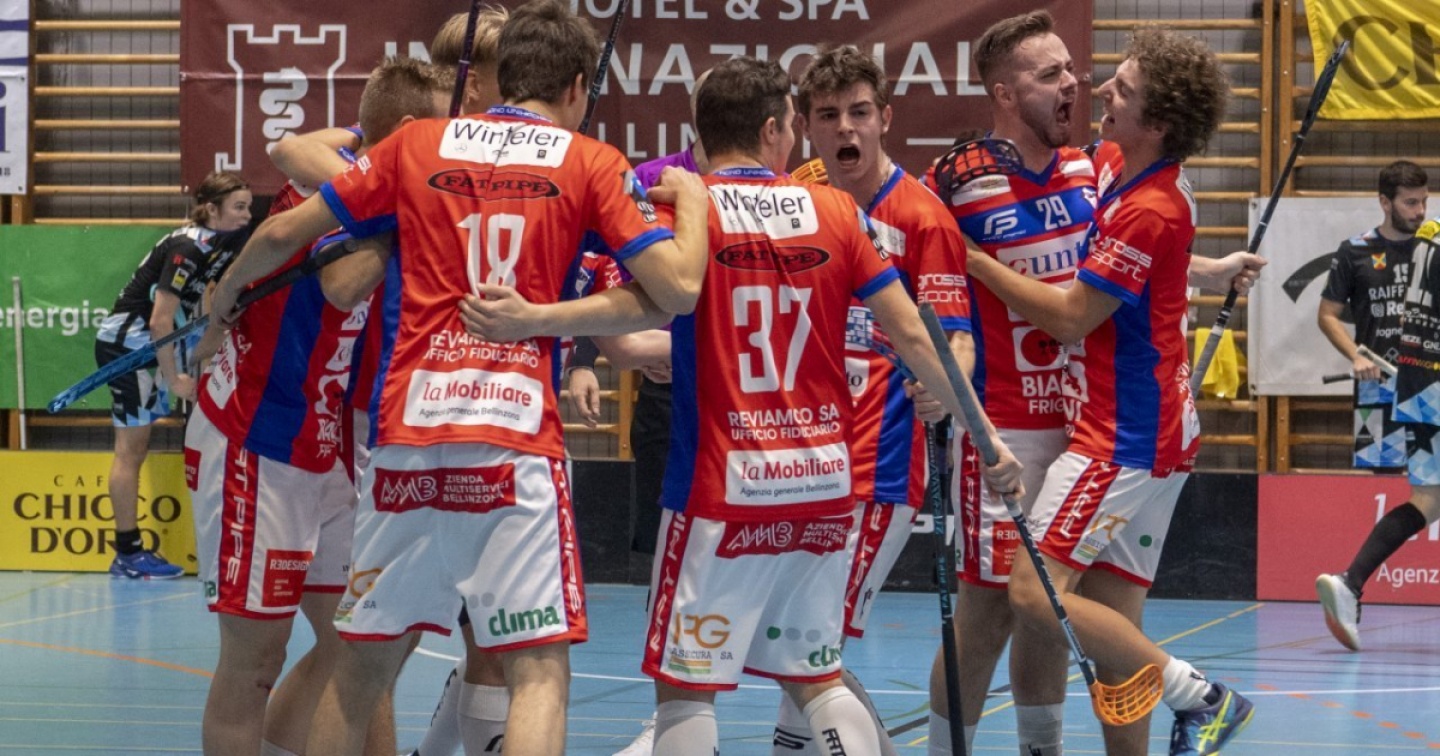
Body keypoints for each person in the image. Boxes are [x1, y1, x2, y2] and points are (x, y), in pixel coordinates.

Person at [458, 55, 1022, 756]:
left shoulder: (685, 217)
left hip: (721, 489)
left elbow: (637, 323)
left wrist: (536, 321)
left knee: (686, 690)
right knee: (817, 676)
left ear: (700, 134)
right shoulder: (836, 211)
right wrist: (987, 439)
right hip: (821, 483)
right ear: (775, 130)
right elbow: (916, 332)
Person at [209, 2, 708, 754]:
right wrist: (692, 204)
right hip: (512, 444)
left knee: (359, 671)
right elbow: (677, 290)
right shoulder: (589, 160)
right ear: (578, 86)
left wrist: (221, 303)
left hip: (405, 441)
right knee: (538, 671)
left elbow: (282, 228)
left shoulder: (417, 143)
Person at [962, 29, 1257, 756]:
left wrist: (974, 260)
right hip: (1159, 430)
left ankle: (1203, 696)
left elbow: (1071, 316)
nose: (1099, 92)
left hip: (1121, 434)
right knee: (1114, 628)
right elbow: (1145, 273)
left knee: (1033, 592)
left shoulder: (1149, 206)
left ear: (1158, 121)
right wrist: (1211, 271)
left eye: (1121, 89)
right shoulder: (1123, 166)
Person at [186, 57, 450, 756]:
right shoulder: (348, 194)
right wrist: (411, 214)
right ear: (407, 132)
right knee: (255, 661)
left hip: (322, 443)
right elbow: (341, 283)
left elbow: (297, 144)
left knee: (354, 642)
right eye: (440, 132)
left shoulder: (350, 166)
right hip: (256, 438)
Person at [774, 44, 974, 756]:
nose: (845, 129)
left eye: (859, 112)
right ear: (805, 125)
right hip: (799, 460)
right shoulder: (796, 201)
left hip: (878, 467)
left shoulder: (922, 218)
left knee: (809, 648)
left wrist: (944, 392)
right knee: (797, 645)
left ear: (885, 118)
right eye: (828, 115)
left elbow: (956, 340)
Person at [919, 13, 1085, 755]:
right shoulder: (955, 182)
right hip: (1003, 428)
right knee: (987, 614)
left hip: (1083, 428)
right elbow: (901, 265)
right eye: (1050, 74)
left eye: (1069, 69)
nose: (1071, 83)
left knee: (1049, 611)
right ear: (1005, 94)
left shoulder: (1087, 170)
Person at [95, 170, 251, 579]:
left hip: (162, 343)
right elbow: (160, 320)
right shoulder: (187, 247)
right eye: (239, 207)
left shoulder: (227, 241)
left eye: (249, 207)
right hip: (129, 347)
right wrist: (178, 378)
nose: (247, 215)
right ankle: (127, 553)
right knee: (131, 450)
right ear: (212, 209)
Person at [1315, 160, 1431, 652]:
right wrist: (1355, 355)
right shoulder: (1355, 251)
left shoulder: (1433, 248)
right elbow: (1327, 315)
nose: (1420, 211)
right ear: (1385, 202)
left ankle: (1351, 583)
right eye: (1410, 202)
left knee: (1430, 497)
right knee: (1427, 496)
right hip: (1382, 390)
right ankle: (1350, 582)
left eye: (1424, 201)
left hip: (1427, 385)